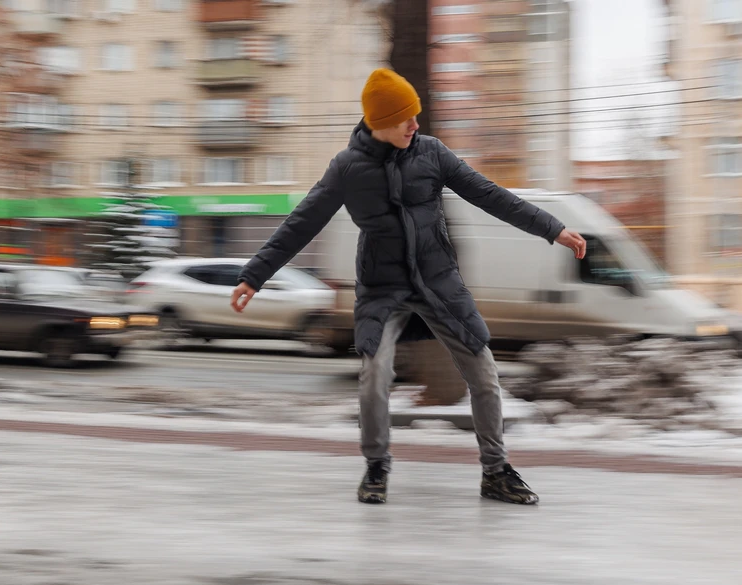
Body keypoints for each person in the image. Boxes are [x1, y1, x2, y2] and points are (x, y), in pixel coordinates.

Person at [231, 68, 586, 506]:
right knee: (374, 376)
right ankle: (376, 465)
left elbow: (490, 194)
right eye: (405, 118)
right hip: (382, 288)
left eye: (416, 116)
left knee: (484, 372)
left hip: (438, 281)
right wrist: (254, 275)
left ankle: (496, 471)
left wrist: (553, 229)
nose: (415, 125)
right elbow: (302, 222)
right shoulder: (347, 168)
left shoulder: (431, 153)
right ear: (379, 122)